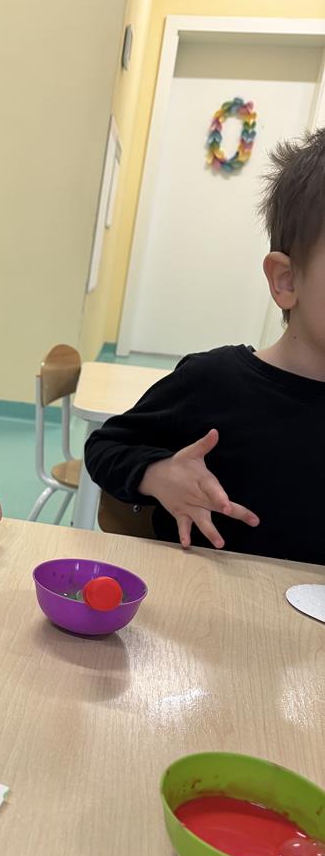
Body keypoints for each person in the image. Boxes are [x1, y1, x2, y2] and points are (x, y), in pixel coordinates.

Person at [84, 129, 325, 566]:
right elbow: (106, 447)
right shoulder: (214, 381)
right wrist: (157, 474)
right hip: (202, 598)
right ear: (287, 280)